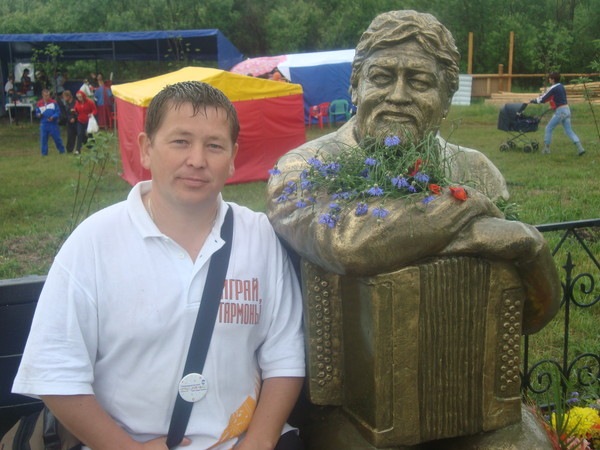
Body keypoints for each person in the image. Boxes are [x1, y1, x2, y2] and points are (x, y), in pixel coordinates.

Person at [13, 81, 305, 450]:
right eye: (180, 141)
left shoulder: (260, 237)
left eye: (214, 146)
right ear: (146, 149)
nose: (197, 160)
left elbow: (285, 355)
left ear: (233, 157)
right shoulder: (93, 243)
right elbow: (55, 372)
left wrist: (259, 441)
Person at [267, 10, 559, 334]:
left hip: (457, 348)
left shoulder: (478, 171)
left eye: (419, 82)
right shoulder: (304, 167)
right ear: (355, 88)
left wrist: (532, 249)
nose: (398, 96)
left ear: (446, 100)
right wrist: (471, 215)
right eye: (381, 77)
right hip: (339, 359)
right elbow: (346, 244)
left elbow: (521, 313)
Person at [530, 72, 585, 156]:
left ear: (553, 79)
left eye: (550, 78)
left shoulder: (553, 87)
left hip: (560, 112)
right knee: (569, 130)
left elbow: (544, 98)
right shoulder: (561, 86)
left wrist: (534, 101)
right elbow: (558, 99)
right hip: (567, 110)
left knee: (548, 128)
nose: (549, 79)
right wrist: (553, 106)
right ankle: (580, 148)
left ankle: (546, 149)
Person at [35, 88, 66, 156]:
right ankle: (44, 153)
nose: (47, 97)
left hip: (53, 123)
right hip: (44, 123)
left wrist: (53, 117)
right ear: (43, 95)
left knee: (57, 138)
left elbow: (58, 112)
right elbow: (37, 112)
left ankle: (62, 151)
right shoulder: (39, 103)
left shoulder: (54, 102)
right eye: (45, 96)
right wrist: (38, 115)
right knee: (43, 139)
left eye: (48, 95)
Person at [73, 89, 97, 154]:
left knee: (90, 134)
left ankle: (93, 148)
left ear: (83, 96)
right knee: (79, 134)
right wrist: (74, 111)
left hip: (88, 121)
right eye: (78, 97)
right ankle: (78, 150)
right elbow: (76, 109)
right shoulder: (77, 103)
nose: (79, 98)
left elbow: (95, 110)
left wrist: (91, 114)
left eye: (80, 97)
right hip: (80, 120)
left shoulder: (90, 102)